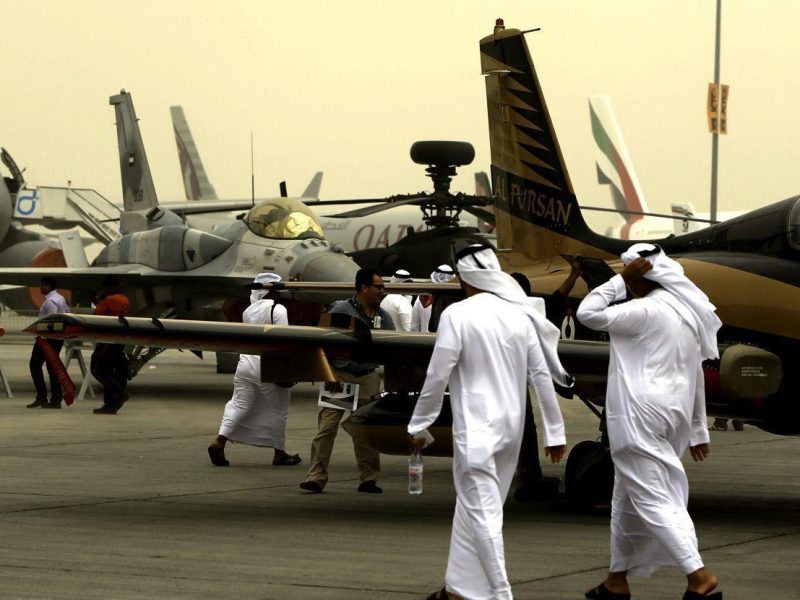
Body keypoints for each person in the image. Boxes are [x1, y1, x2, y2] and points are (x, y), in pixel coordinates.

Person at [408, 244, 571, 600]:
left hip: (477, 431)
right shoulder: (520, 314)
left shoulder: (458, 314)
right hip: (512, 432)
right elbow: (541, 374)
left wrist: (419, 425)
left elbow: (437, 375)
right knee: (476, 508)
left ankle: (500, 594)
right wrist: (554, 432)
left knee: (482, 515)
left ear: (464, 277)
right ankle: (459, 589)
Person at [576, 243, 723, 600]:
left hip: (639, 412)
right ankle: (616, 580)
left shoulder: (643, 310)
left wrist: (618, 282)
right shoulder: (687, 314)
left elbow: (587, 313)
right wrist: (698, 427)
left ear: (639, 276)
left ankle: (698, 576)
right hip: (674, 413)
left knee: (654, 496)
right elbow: (696, 374)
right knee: (626, 497)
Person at [300, 268, 395, 494]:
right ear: (364, 288)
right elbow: (319, 342)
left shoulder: (384, 316)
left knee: (366, 431)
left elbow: (393, 345)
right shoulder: (340, 310)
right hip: (341, 377)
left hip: (368, 378)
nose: (383, 291)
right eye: (379, 286)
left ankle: (369, 479)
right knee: (327, 427)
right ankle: (316, 477)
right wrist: (329, 372)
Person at [208, 273, 301, 467]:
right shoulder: (278, 309)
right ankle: (279, 453)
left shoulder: (248, 311)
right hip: (268, 365)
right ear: (273, 292)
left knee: (239, 404)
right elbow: (283, 340)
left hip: (245, 364)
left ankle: (219, 442)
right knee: (279, 409)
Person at [509, 260, 583, 502]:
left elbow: (557, 298)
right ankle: (526, 478)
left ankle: (522, 476)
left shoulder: (502, 310)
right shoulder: (527, 311)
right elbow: (556, 299)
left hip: (506, 377)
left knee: (519, 428)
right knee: (523, 427)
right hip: (511, 378)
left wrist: (573, 276)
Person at [27, 276, 70, 409]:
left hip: (47, 339)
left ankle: (42, 397)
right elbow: (68, 313)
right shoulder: (61, 298)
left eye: (41, 285)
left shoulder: (50, 301)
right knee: (52, 368)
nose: (40, 288)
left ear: (47, 286)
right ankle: (55, 400)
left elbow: (52, 321)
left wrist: (43, 337)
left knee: (35, 365)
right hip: (57, 339)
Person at [91, 276, 131, 415]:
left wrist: (100, 301)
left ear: (110, 287)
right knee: (108, 370)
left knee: (97, 369)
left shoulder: (109, 300)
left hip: (107, 339)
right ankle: (110, 403)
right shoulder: (124, 299)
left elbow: (96, 314)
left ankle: (119, 392)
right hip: (119, 339)